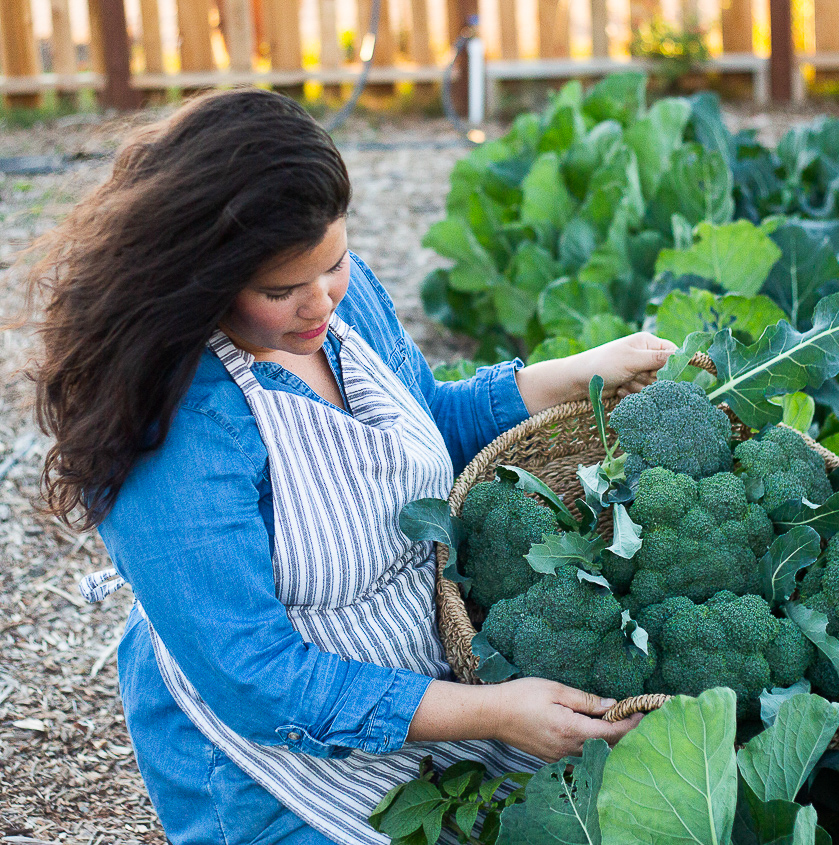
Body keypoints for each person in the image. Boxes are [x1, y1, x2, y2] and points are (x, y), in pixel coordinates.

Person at [25, 88, 673, 845]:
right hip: (277, 761)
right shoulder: (173, 427)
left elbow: (426, 420)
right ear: (195, 279)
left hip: (435, 683)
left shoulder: (341, 296)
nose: (320, 302)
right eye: (280, 290)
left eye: (332, 264)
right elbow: (256, 680)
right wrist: (495, 712)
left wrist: (572, 373)